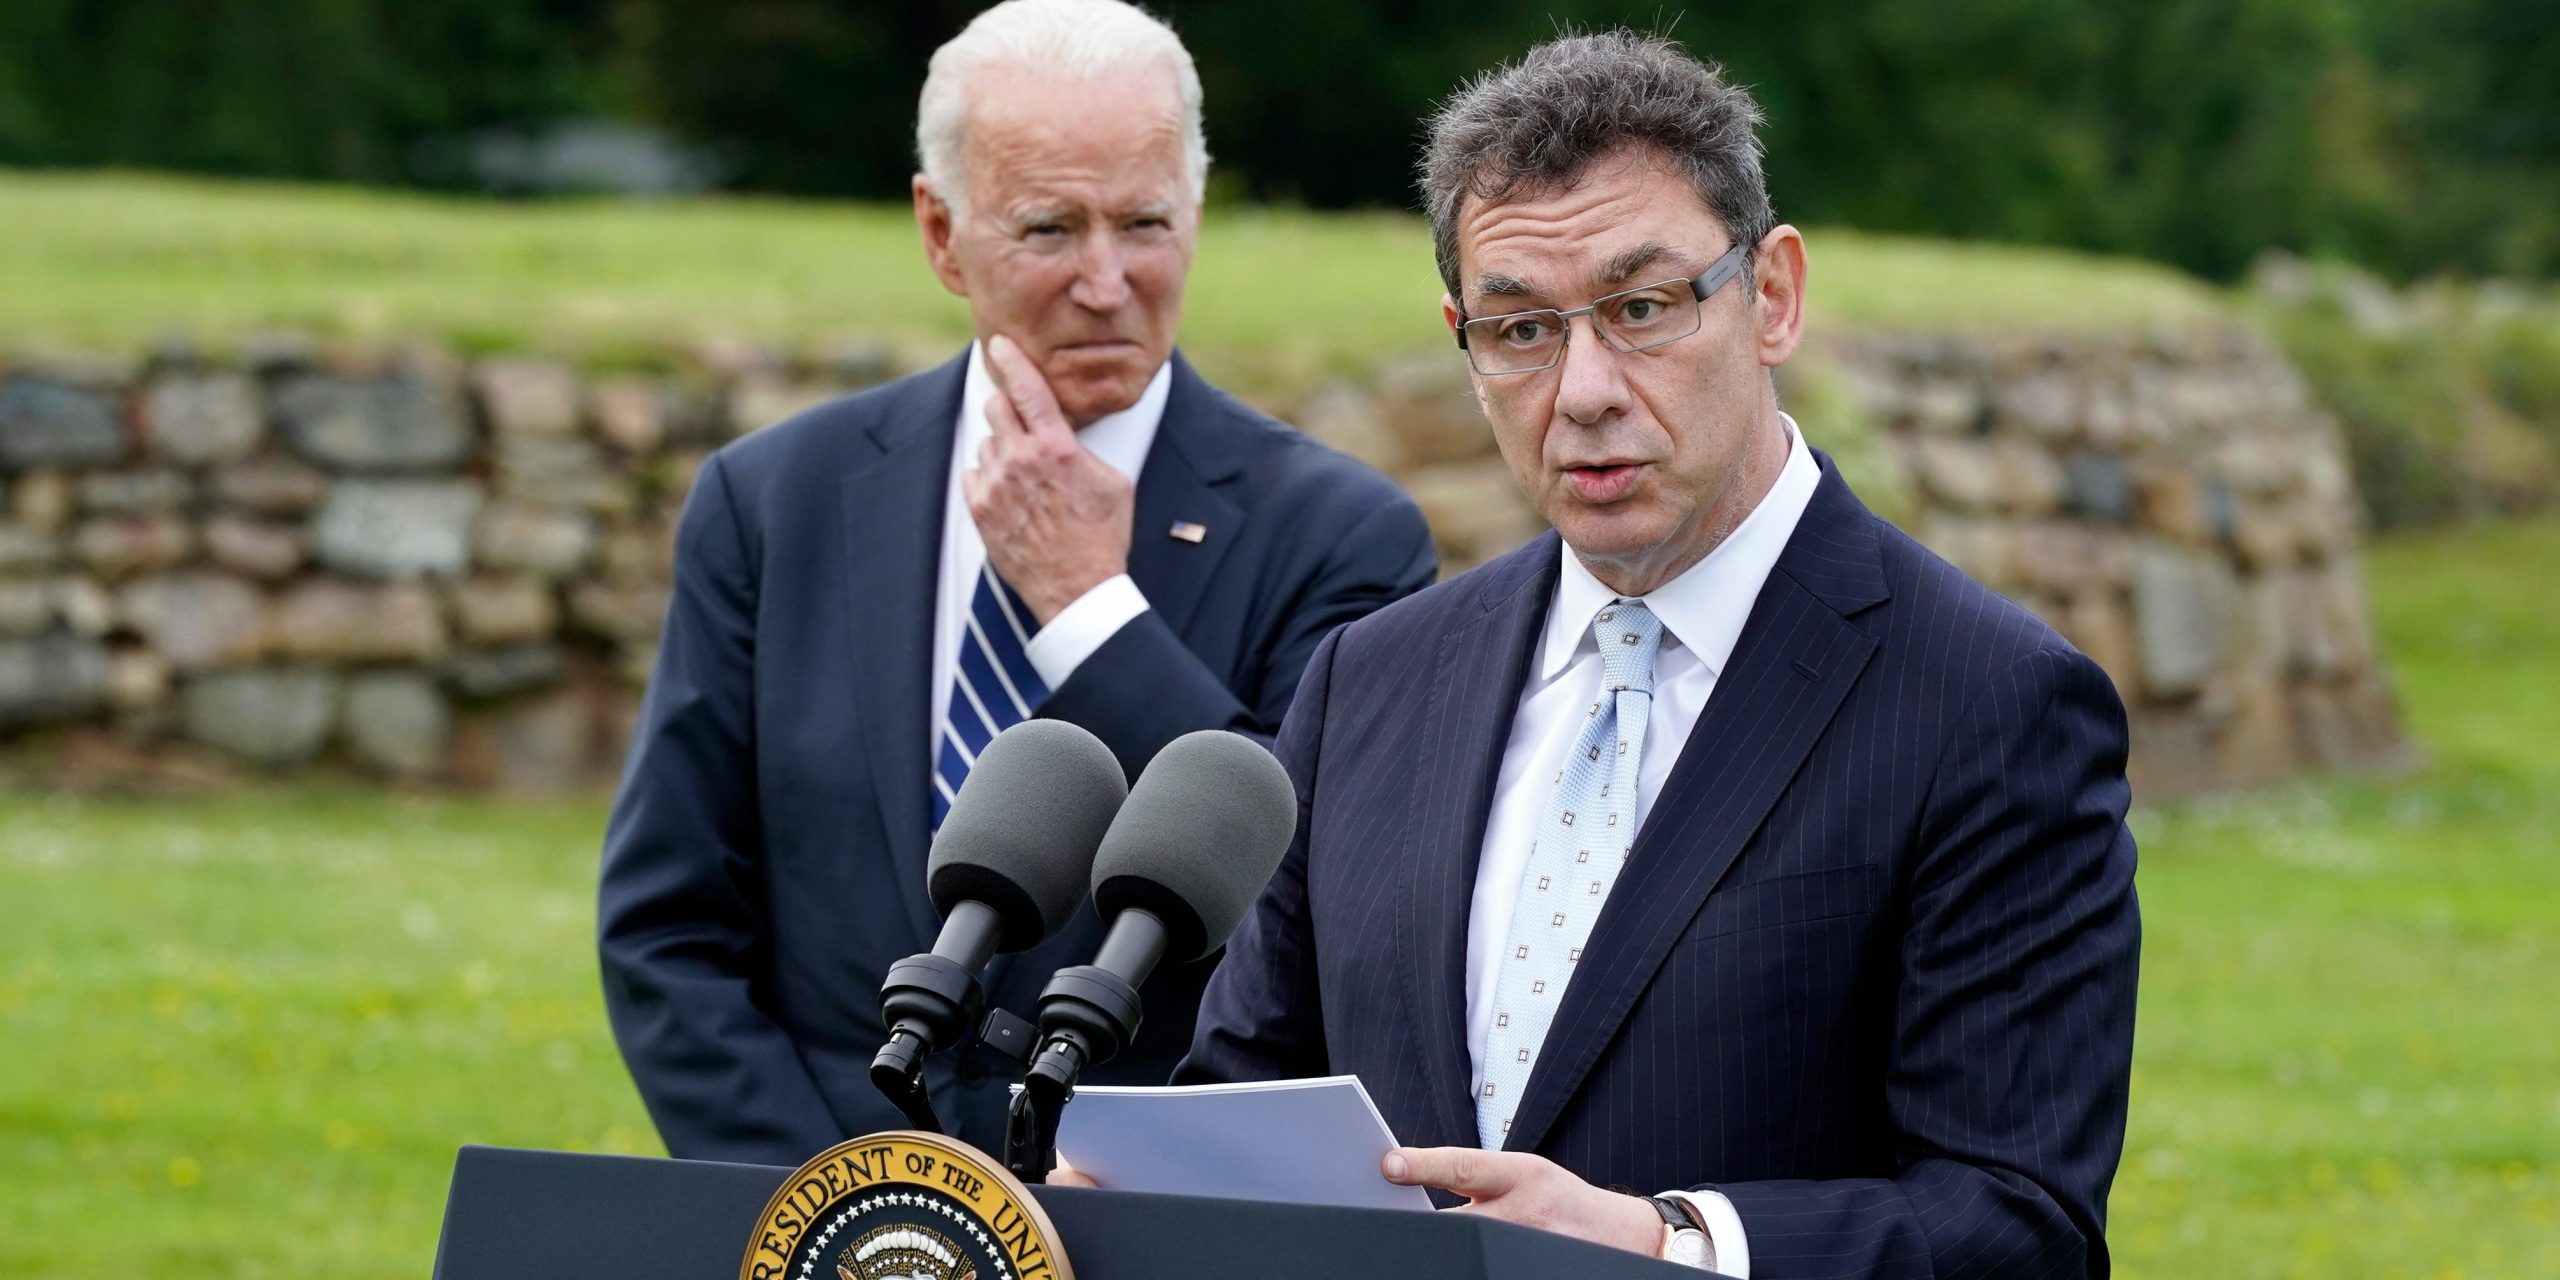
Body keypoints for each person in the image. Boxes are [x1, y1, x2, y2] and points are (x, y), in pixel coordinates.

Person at [1175, 32, 2139, 1279]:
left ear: (1772, 296)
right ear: (1462, 338)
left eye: (1640, 309)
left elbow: (2021, 1226)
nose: (1581, 390)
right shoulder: (1370, 678)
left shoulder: (1991, 701)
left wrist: (1664, 1241)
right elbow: (1249, 1104)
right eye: (1519, 329)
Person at [598, 0, 1436, 1167]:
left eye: (1144, 221)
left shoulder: (1342, 536)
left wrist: (1090, 608)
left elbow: (1313, 907)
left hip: (1147, 1217)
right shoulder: (775, 500)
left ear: (1195, 211)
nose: (1107, 280)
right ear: (942, 233)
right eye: (1049, 229)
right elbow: (670, 930)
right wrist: (815, 1214)